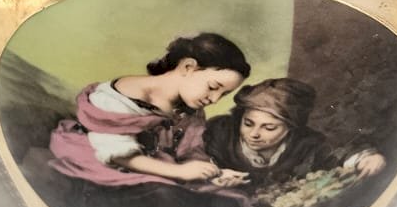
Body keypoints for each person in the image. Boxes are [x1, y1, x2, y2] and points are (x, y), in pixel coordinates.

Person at [48, 32, 252, 191]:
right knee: (165, 197)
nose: (214, 99)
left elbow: (189, 151)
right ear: (188, 67)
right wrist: (179, 171)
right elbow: (116, 153)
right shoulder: (124, 94)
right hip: (100, 161)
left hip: (159, 167)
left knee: (227, 203)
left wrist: (214, 175)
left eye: (224, 95)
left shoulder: (192, 109)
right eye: (213, 87)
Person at [204, 78, 385, 191]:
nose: (254, 134)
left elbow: (338, 153)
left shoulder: (306, 143)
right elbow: (193, 159)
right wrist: (212, 175)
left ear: (290, 128)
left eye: (269, 127)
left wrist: (366, 159)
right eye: (248, 123)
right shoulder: (219, 133)